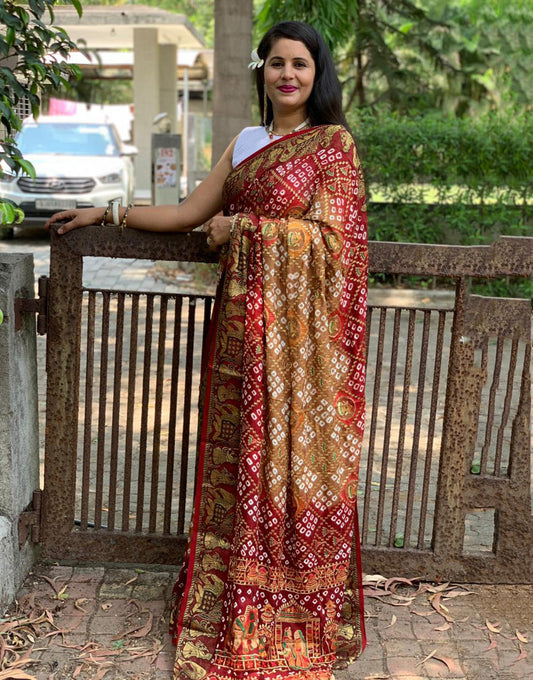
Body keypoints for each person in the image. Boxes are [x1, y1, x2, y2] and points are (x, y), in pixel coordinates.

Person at [46, 20, 368, 680]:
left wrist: (246, 229)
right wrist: (104, 212)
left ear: (318, 73)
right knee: (243, 460)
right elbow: (188, 211)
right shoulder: (247, 141)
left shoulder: (333, 146)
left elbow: (341, 247)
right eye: (276, 63)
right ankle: (236, 602)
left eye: (299, 65)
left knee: (292, 465)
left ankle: (291, 607)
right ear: (262, 71)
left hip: (299, 349)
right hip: (241, 335)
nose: (287, 75)